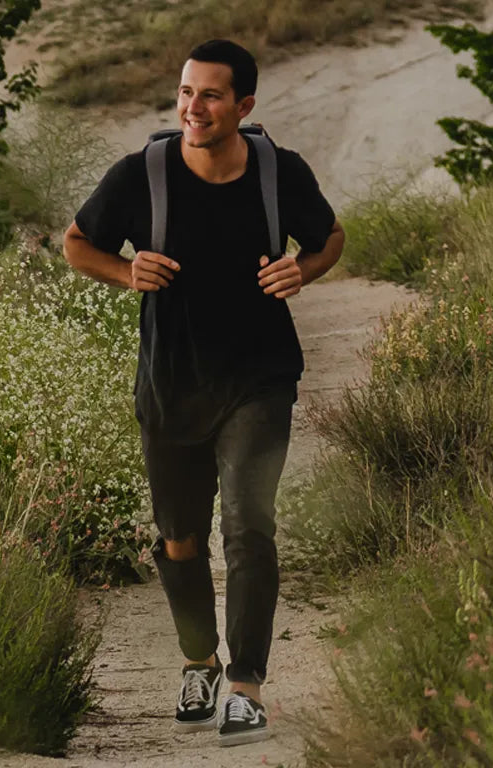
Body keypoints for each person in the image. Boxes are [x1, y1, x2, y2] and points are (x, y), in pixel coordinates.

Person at [62, 38, 344, 747]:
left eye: (211, 95)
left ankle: (246, 685)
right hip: (171, 383)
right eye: (187, 92)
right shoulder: (142, 174)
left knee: (249, 527)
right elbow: (75, 243)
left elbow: (330, 236)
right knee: (179, 541)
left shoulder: (280, 172)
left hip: (260, 378)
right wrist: (127, 274)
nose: (194, 107)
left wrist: (301, 271)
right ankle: (200, 661)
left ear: (244, 106)